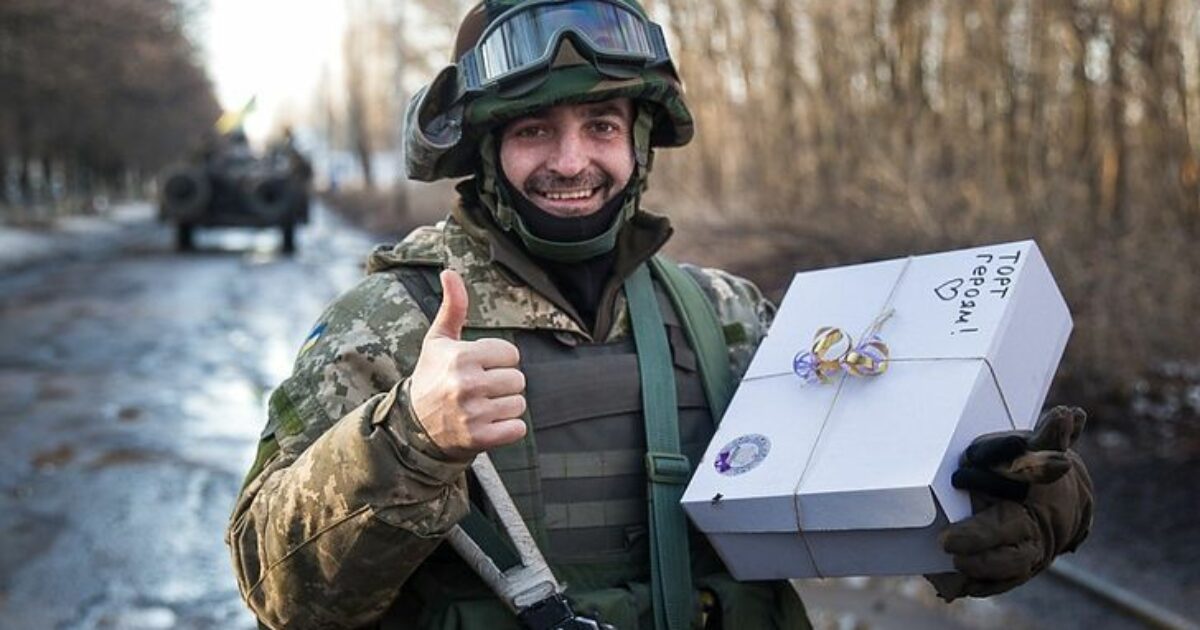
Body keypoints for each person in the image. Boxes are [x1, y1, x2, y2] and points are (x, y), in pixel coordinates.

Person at [225, 1, 1094, 628]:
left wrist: (1028, 502)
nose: (572, 161)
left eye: (601, 125)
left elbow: (874, 486)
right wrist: (408, 442)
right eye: (534, 131)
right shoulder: (388, 323)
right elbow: (277, 593)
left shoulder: (726, 315)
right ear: (487, 153)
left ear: (639, 142)